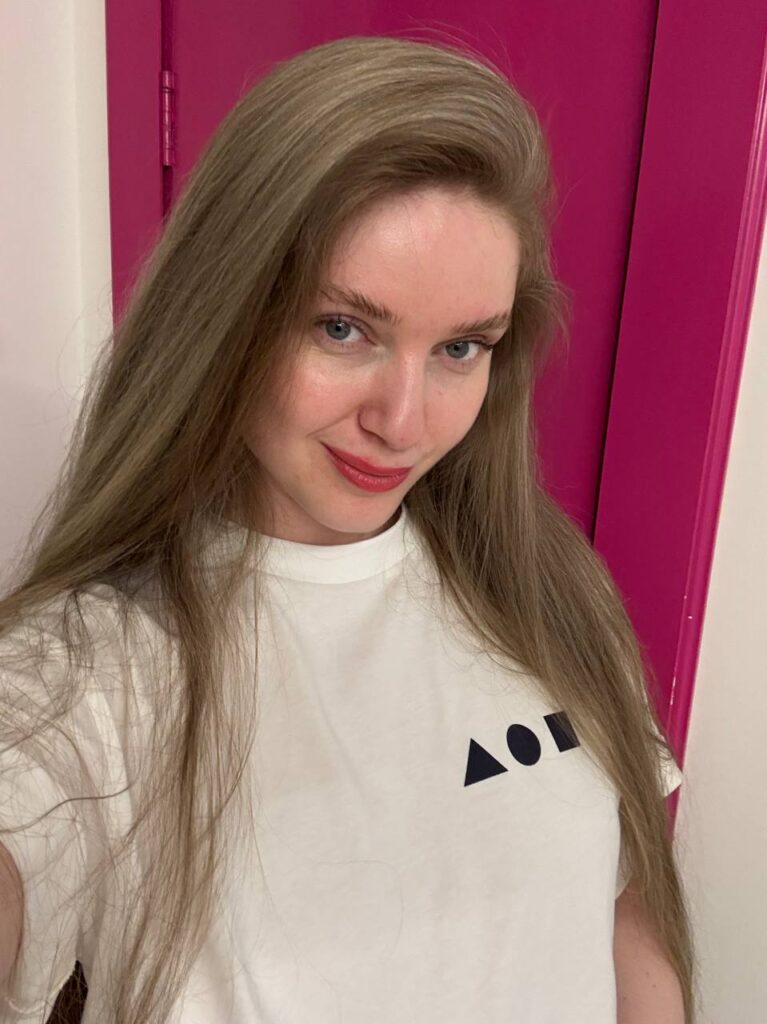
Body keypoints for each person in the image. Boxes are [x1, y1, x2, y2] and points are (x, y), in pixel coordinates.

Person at [0, 33, 696, 1024]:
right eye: (343, 328)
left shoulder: (547, 588)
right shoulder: (93, 668)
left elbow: (624, 915)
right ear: (224, 314)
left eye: (460, 347)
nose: (402, 422)